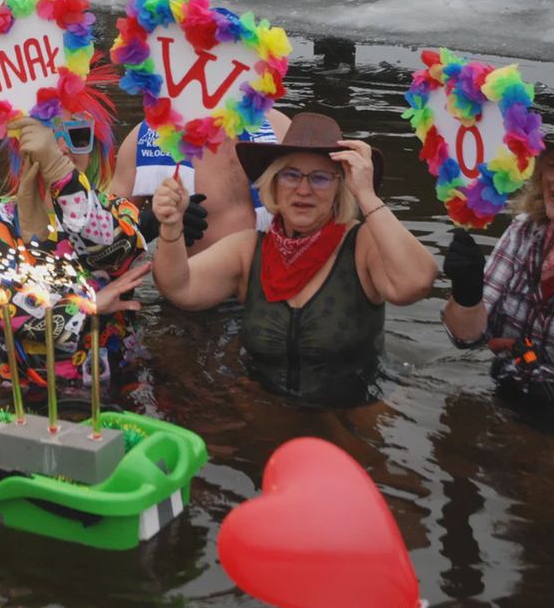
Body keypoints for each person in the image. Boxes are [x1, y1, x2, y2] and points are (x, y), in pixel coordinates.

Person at [152, 112, 438, 406]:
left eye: (320, 178)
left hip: (355, 413)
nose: (303, 190)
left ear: (341, 188)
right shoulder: (248, 250)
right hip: (266, 409)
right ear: (274, 184)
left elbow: (415, 282)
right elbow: (180, 288)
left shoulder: (362, 244)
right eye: (291, 175)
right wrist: (171, 227)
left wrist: (367, 196)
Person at [441, 104, 554, 426]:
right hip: (507, 395)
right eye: (550, 165)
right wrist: (467, 294)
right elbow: (466, 338)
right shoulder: (525, 230)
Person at [0, 88, 151, 391]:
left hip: (106, 387)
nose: (62, 148)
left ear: (93, 148)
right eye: (48, 137)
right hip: (13, 390)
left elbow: (112, 253)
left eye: (77, 135)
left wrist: (59, 172)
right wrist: (83, 307)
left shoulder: (118, 211)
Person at [111, 109, 290, 252]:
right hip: (191, 283)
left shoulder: (281, 128)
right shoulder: (144, 140)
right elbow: (103, 238)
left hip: (275, 280)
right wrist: (153, 222)